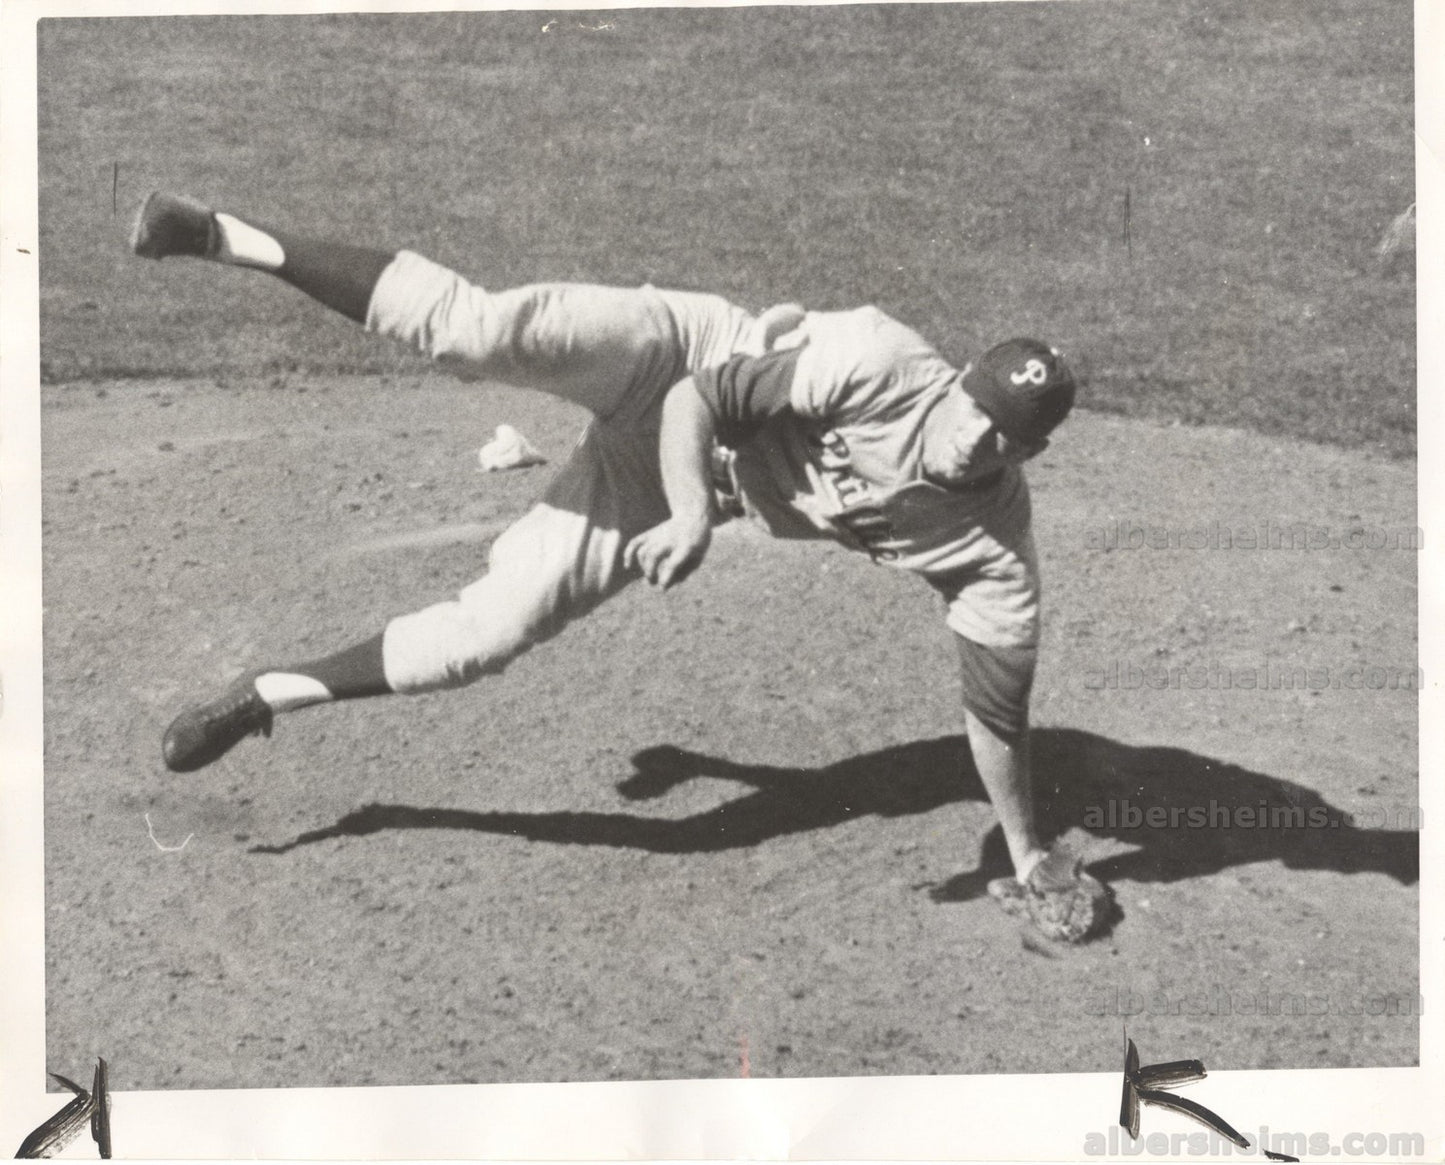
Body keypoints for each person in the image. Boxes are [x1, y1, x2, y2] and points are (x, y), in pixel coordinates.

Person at [130, 190, 1107, 940]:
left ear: (1027, 455)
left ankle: (261, 695)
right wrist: (691, 513)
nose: (976, 438)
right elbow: (700, 400)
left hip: (657, 487)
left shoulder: (989, 556)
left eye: (1003, 436)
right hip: (673, 362)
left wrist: (1025, 854)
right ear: (960, 380)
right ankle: (220, 233)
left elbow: (995, 719)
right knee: (476, 330)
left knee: (481, 639)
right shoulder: (880, 361)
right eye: (975, 408)